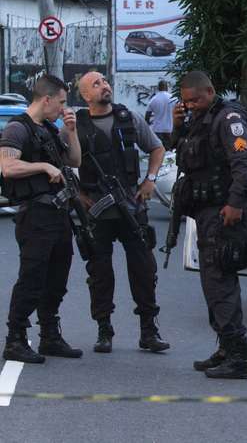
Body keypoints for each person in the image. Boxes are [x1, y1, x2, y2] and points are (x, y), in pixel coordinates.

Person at [171, 71, 247, 379]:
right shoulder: (201, 120)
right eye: (186, 101)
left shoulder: (228, 119)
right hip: (207, 213)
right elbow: (181, 151)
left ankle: (239, 356)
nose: (191, 105)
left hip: (224, 213)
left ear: (210, 91)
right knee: (213, 283)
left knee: (220, 283)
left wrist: (234, 204)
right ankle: (225, 348)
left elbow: (244, 165)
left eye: (195, 99)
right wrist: (178, 125)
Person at [76, 72, 169, 354]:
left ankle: (148, 331)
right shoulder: (76, 126)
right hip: (97, 210)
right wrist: (80, 196)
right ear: (85, 96)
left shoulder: (129, 118)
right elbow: (62, 163)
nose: (104, 85)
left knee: (143, 269)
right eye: (96, 84)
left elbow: (156, 147)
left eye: (105, 81)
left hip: (131, 205)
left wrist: (150, 179)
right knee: (100, 273)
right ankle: (104, 330)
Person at [0, 75, 83, 363]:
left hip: (58, 215)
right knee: (32, 279)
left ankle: (49, 335)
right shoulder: (17, 128)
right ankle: (15, 339)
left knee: (57, 279)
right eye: (61, 102)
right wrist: (43, 165)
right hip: (35, 215)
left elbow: (74, 161)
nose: (63, 108)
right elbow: (7, 167)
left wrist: (71, 131)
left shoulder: (49, 128)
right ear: (45, 99)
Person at [144, 80, 175, 149]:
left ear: (158, 88)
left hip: (157, 130)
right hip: (170, 129)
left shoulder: (154, 99)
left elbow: (147, 115)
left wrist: (147, 125)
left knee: (159, 150)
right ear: (167, 87)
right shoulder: (173, 98)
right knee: (171, 150)